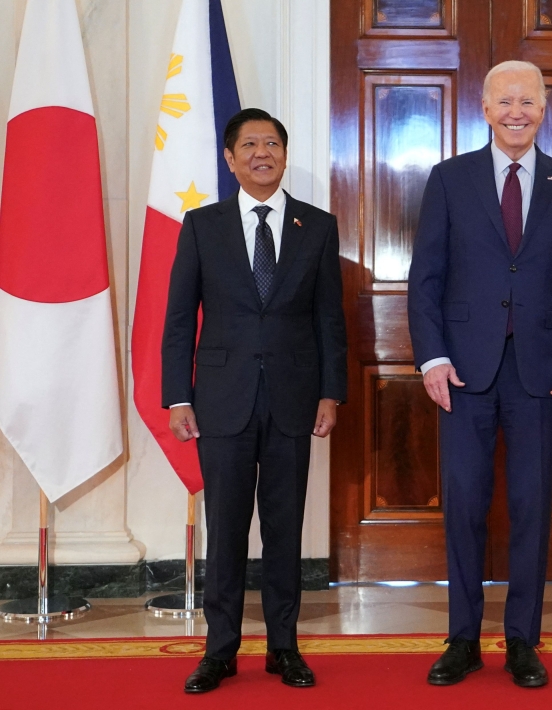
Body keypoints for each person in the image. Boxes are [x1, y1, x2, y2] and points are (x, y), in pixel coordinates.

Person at [408, 60, 552, 689]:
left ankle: (523, 638)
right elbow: (426, 279)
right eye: (505, 102)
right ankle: (462, 638)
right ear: (484, 109)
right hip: (462, 371)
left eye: (529, 102)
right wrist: (432, 357)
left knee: (530, 505)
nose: (517, 112)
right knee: (463, 504)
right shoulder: (449, 179)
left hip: (540, 374)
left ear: (545, 110)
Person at [162, 108, 347, 694]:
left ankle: (284, 648)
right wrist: (176, 397)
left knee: (285, 527)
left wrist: (331, 392)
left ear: (285, 155)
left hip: (295, 397)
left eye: (272, 143)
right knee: (228, 529)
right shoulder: (201, 225)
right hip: (221, 398)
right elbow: (176, 322)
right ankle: (219, 651)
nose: (261, 153)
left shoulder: (316, 226)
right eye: (249, 145)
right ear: (230, 157)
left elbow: (329, 320)